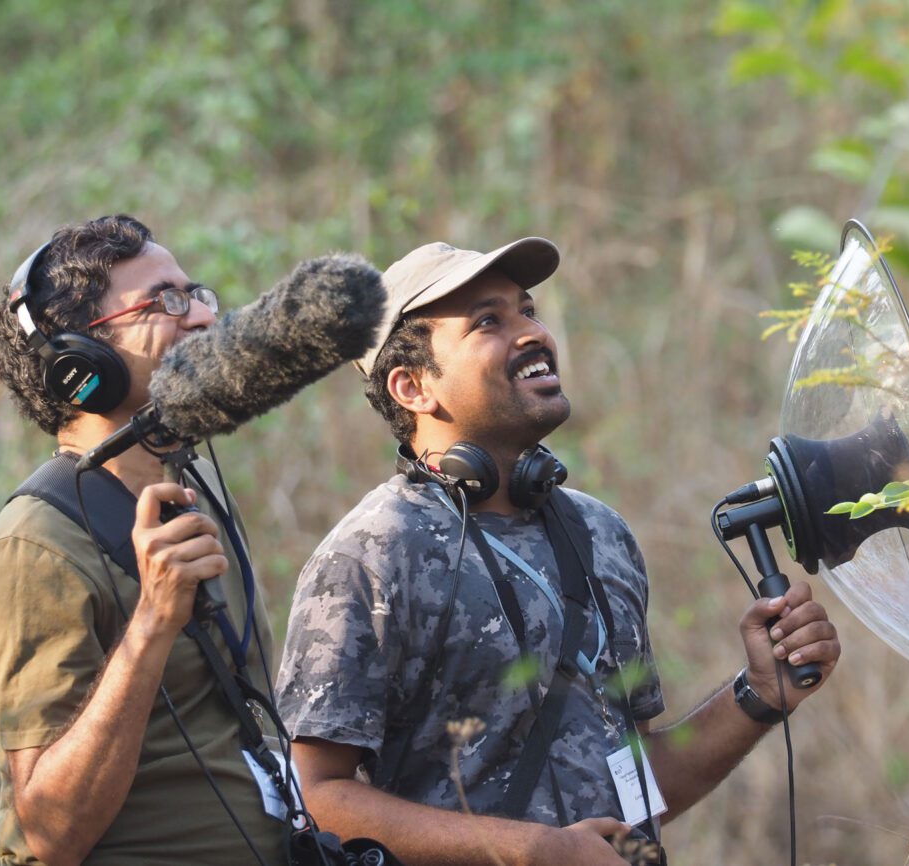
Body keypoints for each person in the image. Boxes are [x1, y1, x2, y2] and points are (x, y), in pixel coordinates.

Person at [275, 237, 842, 865]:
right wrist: (534, 850)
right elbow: (316, 795)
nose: (532, 333)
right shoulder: (371, 555)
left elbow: (628, 785)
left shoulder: (599, 533)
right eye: (489, 321)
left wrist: (759, 695)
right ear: (412, 387)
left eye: (528, 310)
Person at [0, 214, 287, 865]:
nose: (201, 316)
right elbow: (49, 837)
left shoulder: (188, 496)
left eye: (196, 294)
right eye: (166, 300)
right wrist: (152, 624)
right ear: (83, 359)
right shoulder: (33, 548)